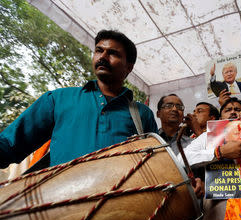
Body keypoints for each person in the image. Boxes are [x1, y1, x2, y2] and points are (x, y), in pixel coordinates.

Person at [0, 30, 157, 168]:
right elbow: (9, 145)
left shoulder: (143, 114)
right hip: (63, 199)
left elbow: (157, 165)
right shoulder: (58, 99)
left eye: (113, 53)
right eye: (99, 50)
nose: (102, 56)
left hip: (124, 200)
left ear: (129, 67)